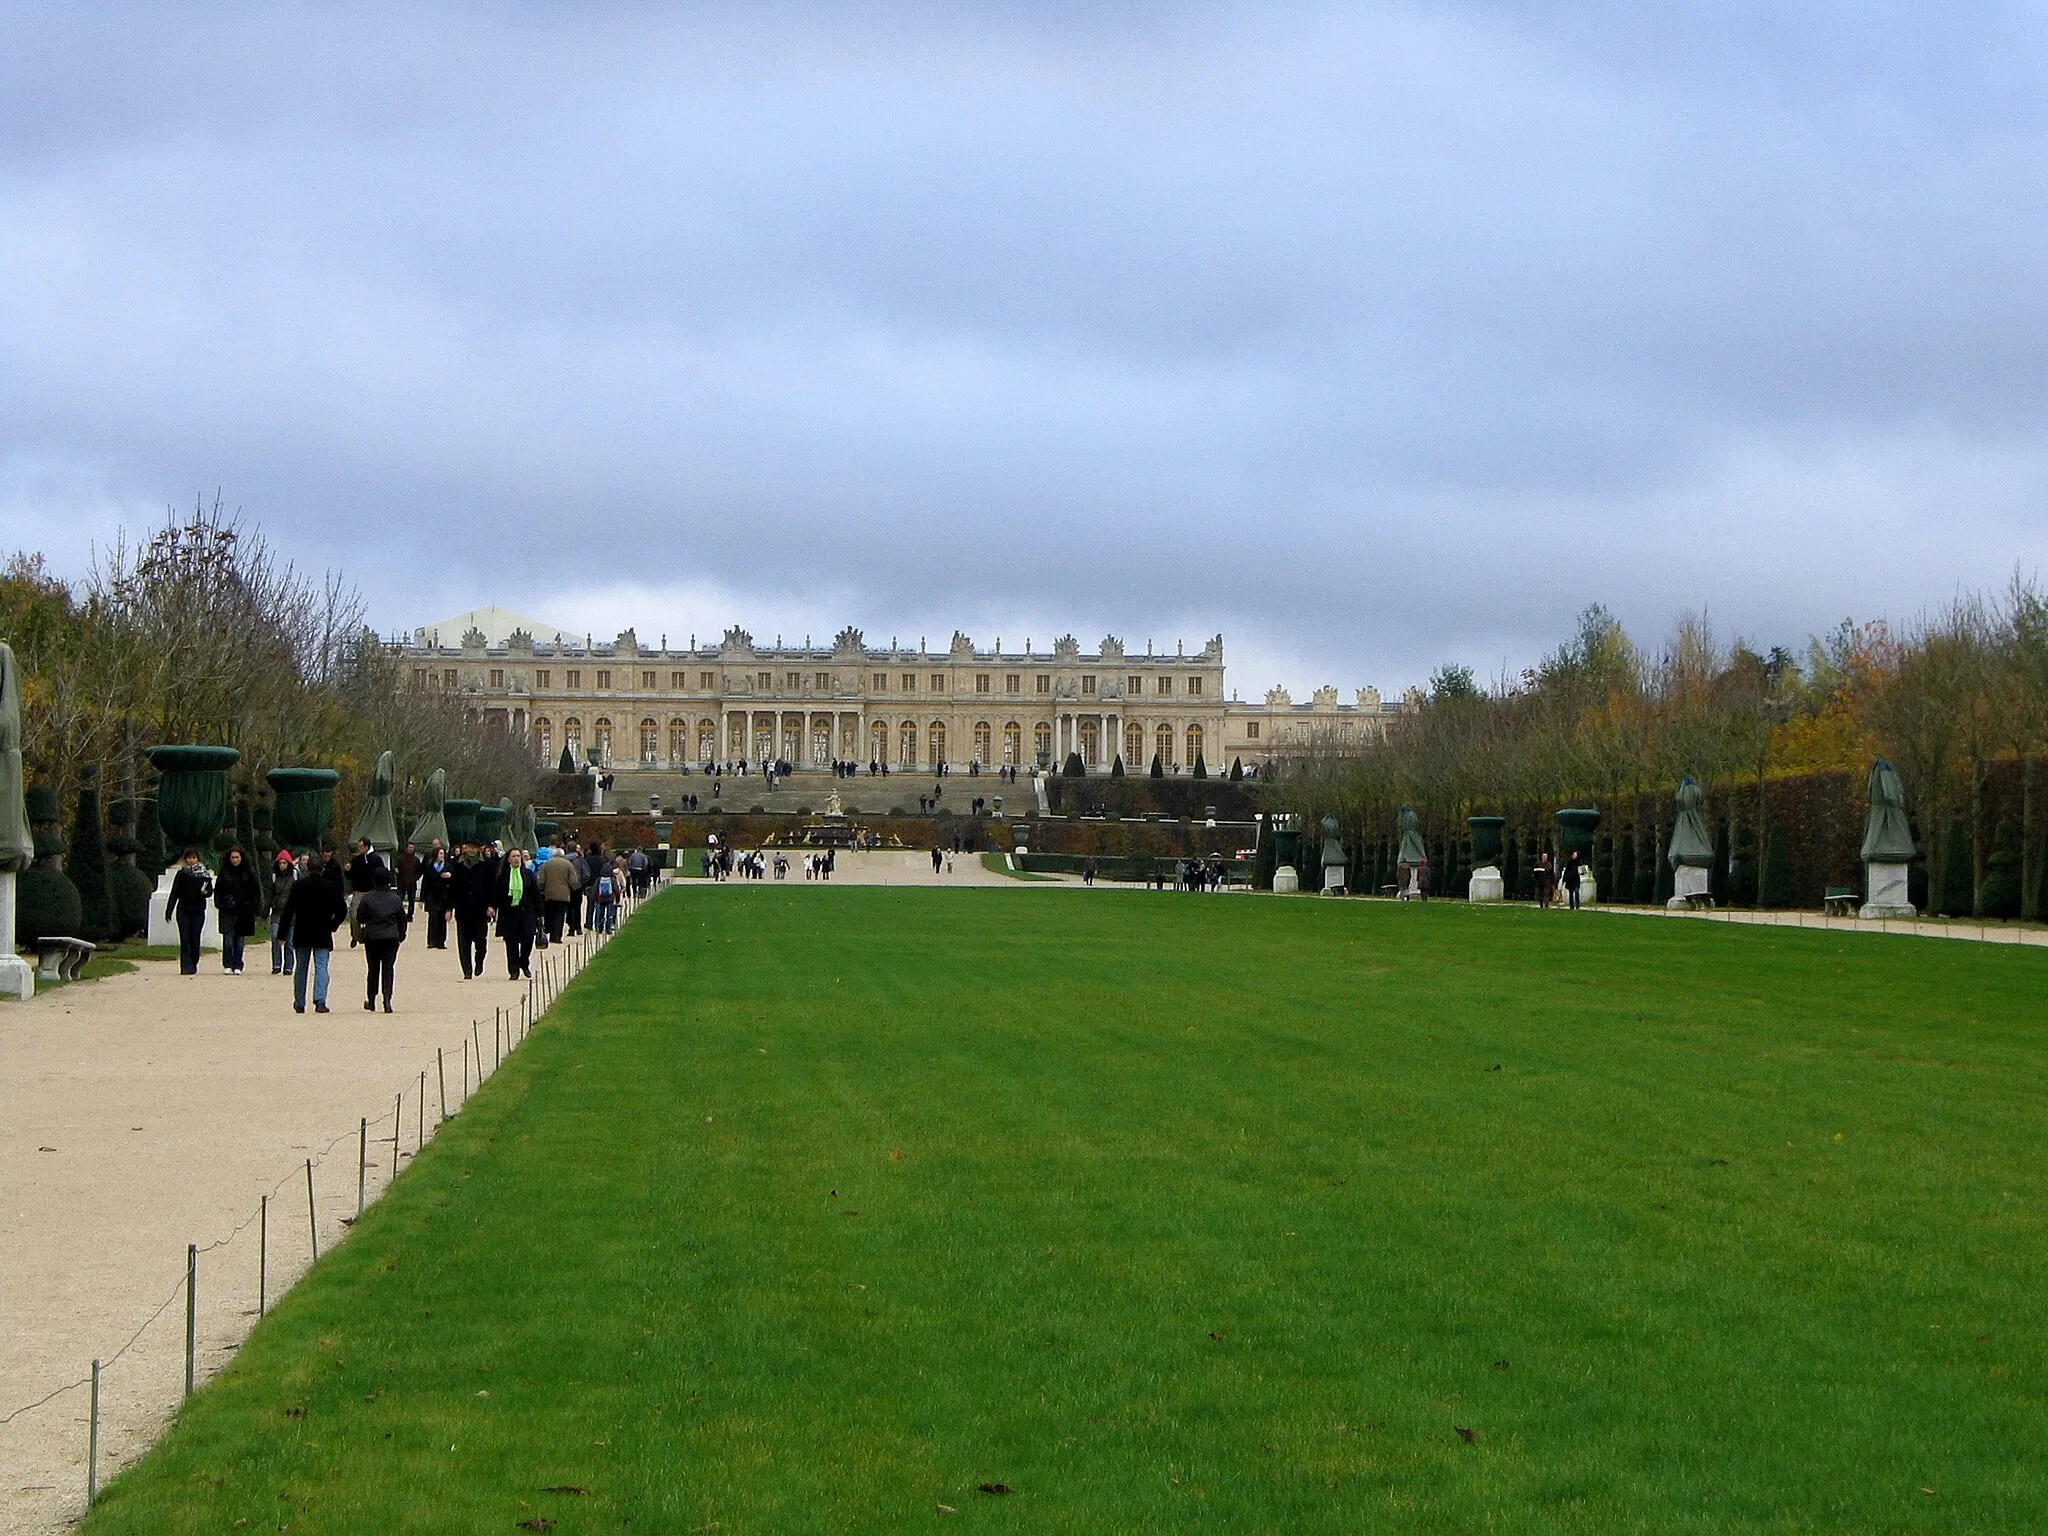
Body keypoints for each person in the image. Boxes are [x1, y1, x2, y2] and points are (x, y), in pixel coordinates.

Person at [281, 852, 347, 1013]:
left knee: (301, 967)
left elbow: (288, 911)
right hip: (322, 931)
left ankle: (299, 1001)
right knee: (322, 966)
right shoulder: (332, 887)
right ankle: (320, 999)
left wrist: (282, 934)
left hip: (302, 930)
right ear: (322, 868)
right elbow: (342, 910)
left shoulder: (299, 886)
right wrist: (332, 925)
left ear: (307, 868)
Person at [356, 866, 408, 1012]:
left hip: (372, 935)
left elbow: (360, 917)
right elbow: (401, 919)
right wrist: (401, 934)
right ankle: (387, 999)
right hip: (391, 936)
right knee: (388, 968)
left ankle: (371, 999)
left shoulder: (367, 898)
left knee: (373, 968)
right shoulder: (395, 898)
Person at [492, 847, 542, 979]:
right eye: (513, 856)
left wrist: (540, 913)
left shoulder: (528, 874)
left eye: (518, 856)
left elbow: (536, 895)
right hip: (509, 914)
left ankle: (524, 962)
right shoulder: (503, 876)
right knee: (511, 944)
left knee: (528, 940)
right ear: (508, 859)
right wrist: (492, 907)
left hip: (527, 913)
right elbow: (496, 895)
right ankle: (513, 970)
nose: (516, 859)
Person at [451, 840, 496, 979]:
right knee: (463, 943)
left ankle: (479, 961)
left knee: (481, 940)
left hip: (480, 909)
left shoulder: (487, 864)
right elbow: (453, 887)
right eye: (468, 847)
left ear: (478, 849)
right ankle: (467, 970)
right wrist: (449, 907)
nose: (470, 850)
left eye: (473, 848)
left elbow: (492, 886)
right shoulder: (457, 864)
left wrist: (491, 905)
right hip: (463, 908)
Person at [213, 845, 261, 975]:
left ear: (242, 858)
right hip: (227, 910)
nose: (235, 860)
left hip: (244, 910)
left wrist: (254, 908)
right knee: (228, 939)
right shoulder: (224, 873)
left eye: (237, 857)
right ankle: (228, 963)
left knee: (239, 940)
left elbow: (255, 892)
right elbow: (218, 891)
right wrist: (220, 904)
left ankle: (237, 964)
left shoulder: (249, 873)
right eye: (232, 857)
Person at [165, 850, 213, 975]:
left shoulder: (204, 875)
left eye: (193, 858)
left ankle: (194, 961)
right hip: (183, 909)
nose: (191, 860)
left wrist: (205, 892)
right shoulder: (181, 874)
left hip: (198, 910)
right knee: (185, 938)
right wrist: (169, 910)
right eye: (189, 858)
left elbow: (210, 891)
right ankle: (186, 966)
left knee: (195, 938)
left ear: (198, 859)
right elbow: (174, 892)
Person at [540, 840, 580, 944]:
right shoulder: (568, 865)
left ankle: (549, 931)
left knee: (550, 915)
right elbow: (573, 881)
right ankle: (556, 937)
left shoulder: (547, 864)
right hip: (563, 894)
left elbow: (541, 880)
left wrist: (541, 889)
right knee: (560, 916)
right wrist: (573, 889)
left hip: (549, 894)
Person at [267, 849, 298, 975]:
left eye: (284, 863)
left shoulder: (295, 877)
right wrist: (265, 910)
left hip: (291, 913)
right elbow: (270, 894)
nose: (282, 866)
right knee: (275, 937)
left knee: (289, 941)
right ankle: (276, 964)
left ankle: (288, 966)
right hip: (277, 912)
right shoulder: (274, 877)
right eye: (280, 863)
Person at [421, 843, 452, 949]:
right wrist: (422, 898)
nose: (442, 855)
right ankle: (431, 940)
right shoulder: (430, 866)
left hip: (443, 896)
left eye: (443, 853)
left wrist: (450, 876)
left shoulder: (448, 866)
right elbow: (425, 882)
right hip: (432, 896)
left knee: (442, 920)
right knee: (433, 918)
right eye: (440, 853)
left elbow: (453, 881)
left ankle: (441, 941)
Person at [396, 841, 422, 918]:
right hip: (402, 883)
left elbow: (419, 871)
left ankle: (410, 915)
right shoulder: (400, 858)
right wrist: (396, 870)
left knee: (411, 900)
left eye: (412, 848)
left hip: (412, 883)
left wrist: (415, 878)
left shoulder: (416, 860)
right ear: (406, 848)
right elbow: (395, 867)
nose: (411, 849)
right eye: (410, 847)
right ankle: (399, 915)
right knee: (400, 899)